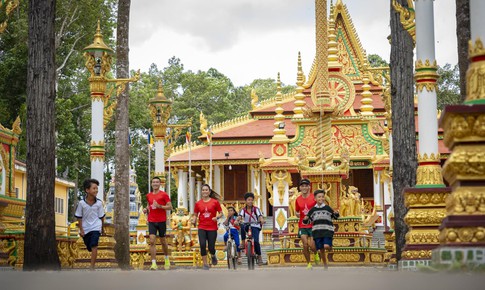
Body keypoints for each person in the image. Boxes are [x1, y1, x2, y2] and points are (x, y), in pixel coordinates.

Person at [303, 189, 340, 270]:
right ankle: (325, 264)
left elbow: (335, 217)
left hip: (327, 231)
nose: (321, 198)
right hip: (317, 232)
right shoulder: (312, 210)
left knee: (326, 246)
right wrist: (305, 219)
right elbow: (308, 221)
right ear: (315, 199)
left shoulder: (328, 208)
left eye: (323, 197)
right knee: (321, 250)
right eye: (319, 197)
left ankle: (330, 247)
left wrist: (336, 213)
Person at [75, 179, 105, 270]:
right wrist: (81, 229)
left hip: (96, 226)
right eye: (94, 188)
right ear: (87, 190)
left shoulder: (99, 203)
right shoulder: (81, 203)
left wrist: (102, 228)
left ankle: (92, 267)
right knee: (89, 246)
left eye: (97, 188)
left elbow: (101, 216)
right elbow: (79, 217)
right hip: (86, 228)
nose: (96, 190)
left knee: (94, 245)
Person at [144, 176, 172, 270]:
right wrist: (146, 209)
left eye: (157, 182)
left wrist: (160, 206)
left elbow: (170, 207)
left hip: (161, 221)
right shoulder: (148, 195)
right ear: (151, 184)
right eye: (153, 182)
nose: (155, 184)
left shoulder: (164, 195)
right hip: (151, 220)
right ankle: (153, 263)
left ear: (160, 184)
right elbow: (149, 206)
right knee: (152, 241)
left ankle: (166, 259)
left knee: (163, 241)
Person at [192, 184, 223, 270]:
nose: (205, 191)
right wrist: (194, 220)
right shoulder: (198, 203)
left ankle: (213, 255)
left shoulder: (214, 202)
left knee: (211, 247)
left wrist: (216, 217)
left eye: (206, 190)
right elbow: (195, 214)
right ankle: (205, 264)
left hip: (212, 227)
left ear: (209, 192)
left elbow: (221, 213)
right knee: (202, 244)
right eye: (203, 190)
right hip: (202, 226)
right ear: (201, 192)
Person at [295, 178, 318, 269]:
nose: (304, 188)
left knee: (312, 246)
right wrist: (299, 214)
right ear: (300, 188)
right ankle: (309, 263)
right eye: (302, 186)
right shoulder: (297, 199)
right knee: (305, 244)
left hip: (313, 225)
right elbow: (297, 212)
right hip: (302, 225)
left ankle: (316, 253)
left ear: (309, 187)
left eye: (306, 186)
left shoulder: (314, 197)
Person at [239, 192, 265, 266]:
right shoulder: (243, 210)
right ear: (246, 201)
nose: (250, 201)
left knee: (256, 241)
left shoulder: (256, 209)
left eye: (251, 200)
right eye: (248, 200)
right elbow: (240, 216)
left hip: (256, 226)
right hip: (247, 225)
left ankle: (259, 257)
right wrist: (237, 221)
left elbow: (260, 216)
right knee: (242, 226)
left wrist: (262, 220)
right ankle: (243, 243)